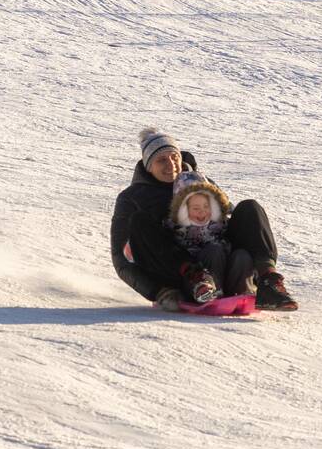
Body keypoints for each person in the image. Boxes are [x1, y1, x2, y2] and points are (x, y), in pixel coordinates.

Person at [110, 128, 298, 312]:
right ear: (148, 165)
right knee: (140, 222)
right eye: (161, 160)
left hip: (218, 256)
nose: (171, 164)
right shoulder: (132, 198)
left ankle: (268, 281)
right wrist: (159, 291)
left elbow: (228, 217)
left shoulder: (200, 181)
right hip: (178, 272)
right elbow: (122, 259)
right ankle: (195, 278)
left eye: (174, 157)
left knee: (249, 208)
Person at [167, 171, 255, 301]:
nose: (202, 211)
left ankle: (243, 291)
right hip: (196, 279)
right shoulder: (175, 228)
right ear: (183, 209)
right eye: (195, 208)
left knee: (241, 255)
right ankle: (210, 292)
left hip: (226, 274)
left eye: (206, 206)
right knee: (214, 250)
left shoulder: (222, 222)